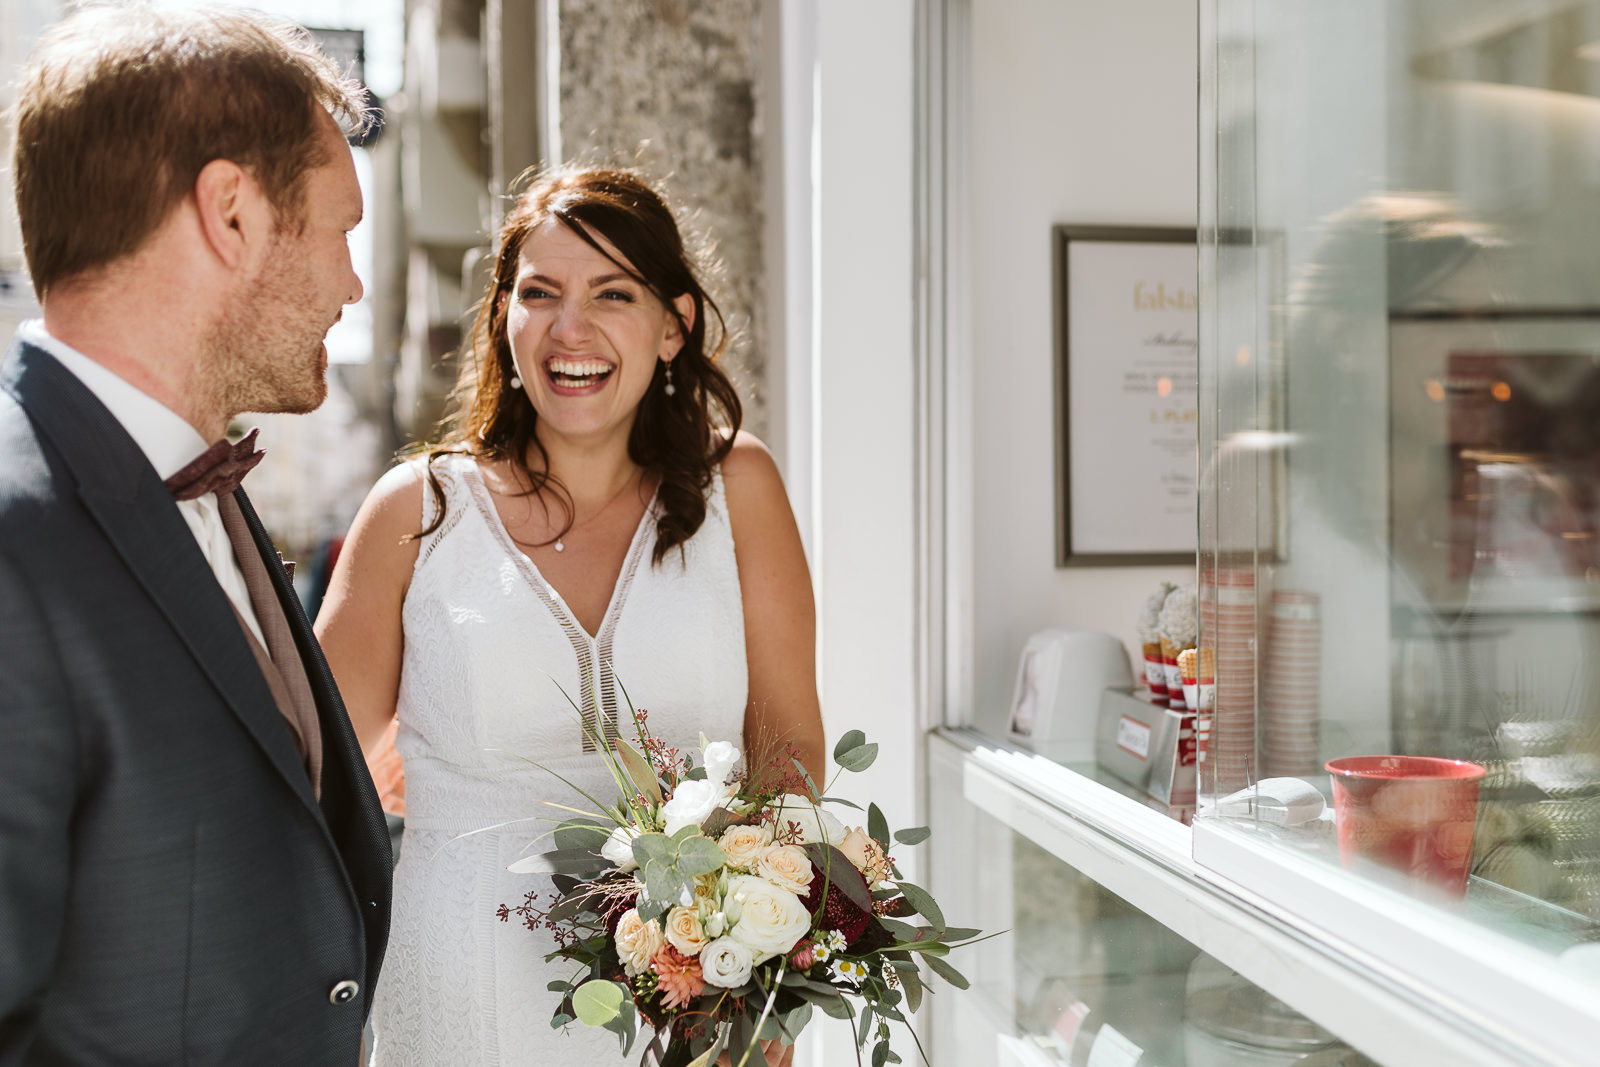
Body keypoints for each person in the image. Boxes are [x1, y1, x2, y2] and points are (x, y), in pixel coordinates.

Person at [315, 166, 824, 1066]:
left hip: (687, 1013)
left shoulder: (740, 488)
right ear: (504, 320)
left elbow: (787, 758)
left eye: (611, 294)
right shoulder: (417, 511)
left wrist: (768, 981)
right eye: (539, 293)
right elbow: (307, 769)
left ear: (675, 327)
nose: (569, 329)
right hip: (462, 1001)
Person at [0, 6, 392, 1064]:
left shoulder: (205, 482)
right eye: (338, 229)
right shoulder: (10, 541)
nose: (352, 282)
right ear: (230, 212)